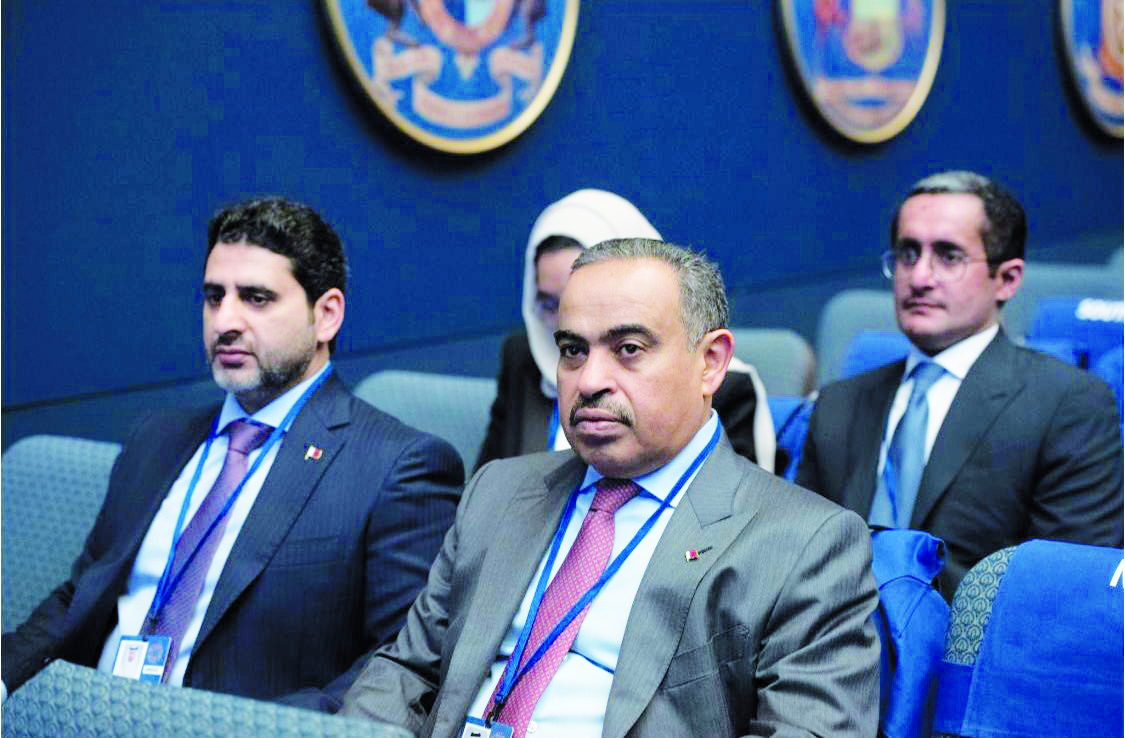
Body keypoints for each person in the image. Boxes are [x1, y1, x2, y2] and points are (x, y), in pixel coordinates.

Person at [340, 239, 879, 738]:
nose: (589, 380)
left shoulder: (807, 544)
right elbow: (407, 672)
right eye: (573, 351)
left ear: (710, 362)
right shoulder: (499, 492)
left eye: (627, 348)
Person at [1, 197, 464, 710]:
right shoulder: (156, 439)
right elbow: (80, 597)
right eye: (213, 296)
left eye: (257, 298)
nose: (225, 321)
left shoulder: (397, 466)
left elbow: (400, 664)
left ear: (326, 315)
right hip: (97, 715)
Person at [797, 170, 1124, 597]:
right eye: (908, 254)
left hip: (966, 657)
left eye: (948, 256)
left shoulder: (1067, 404)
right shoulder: (838, 404)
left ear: (1007, 279)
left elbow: (1060, 597)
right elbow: (798, 559)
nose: (919, 277)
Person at [476, 189, 778, 474]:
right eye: (550, 304)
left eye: (629, 348)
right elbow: (490, 488)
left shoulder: (717, 385)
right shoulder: (522, 358)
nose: (562, 323)